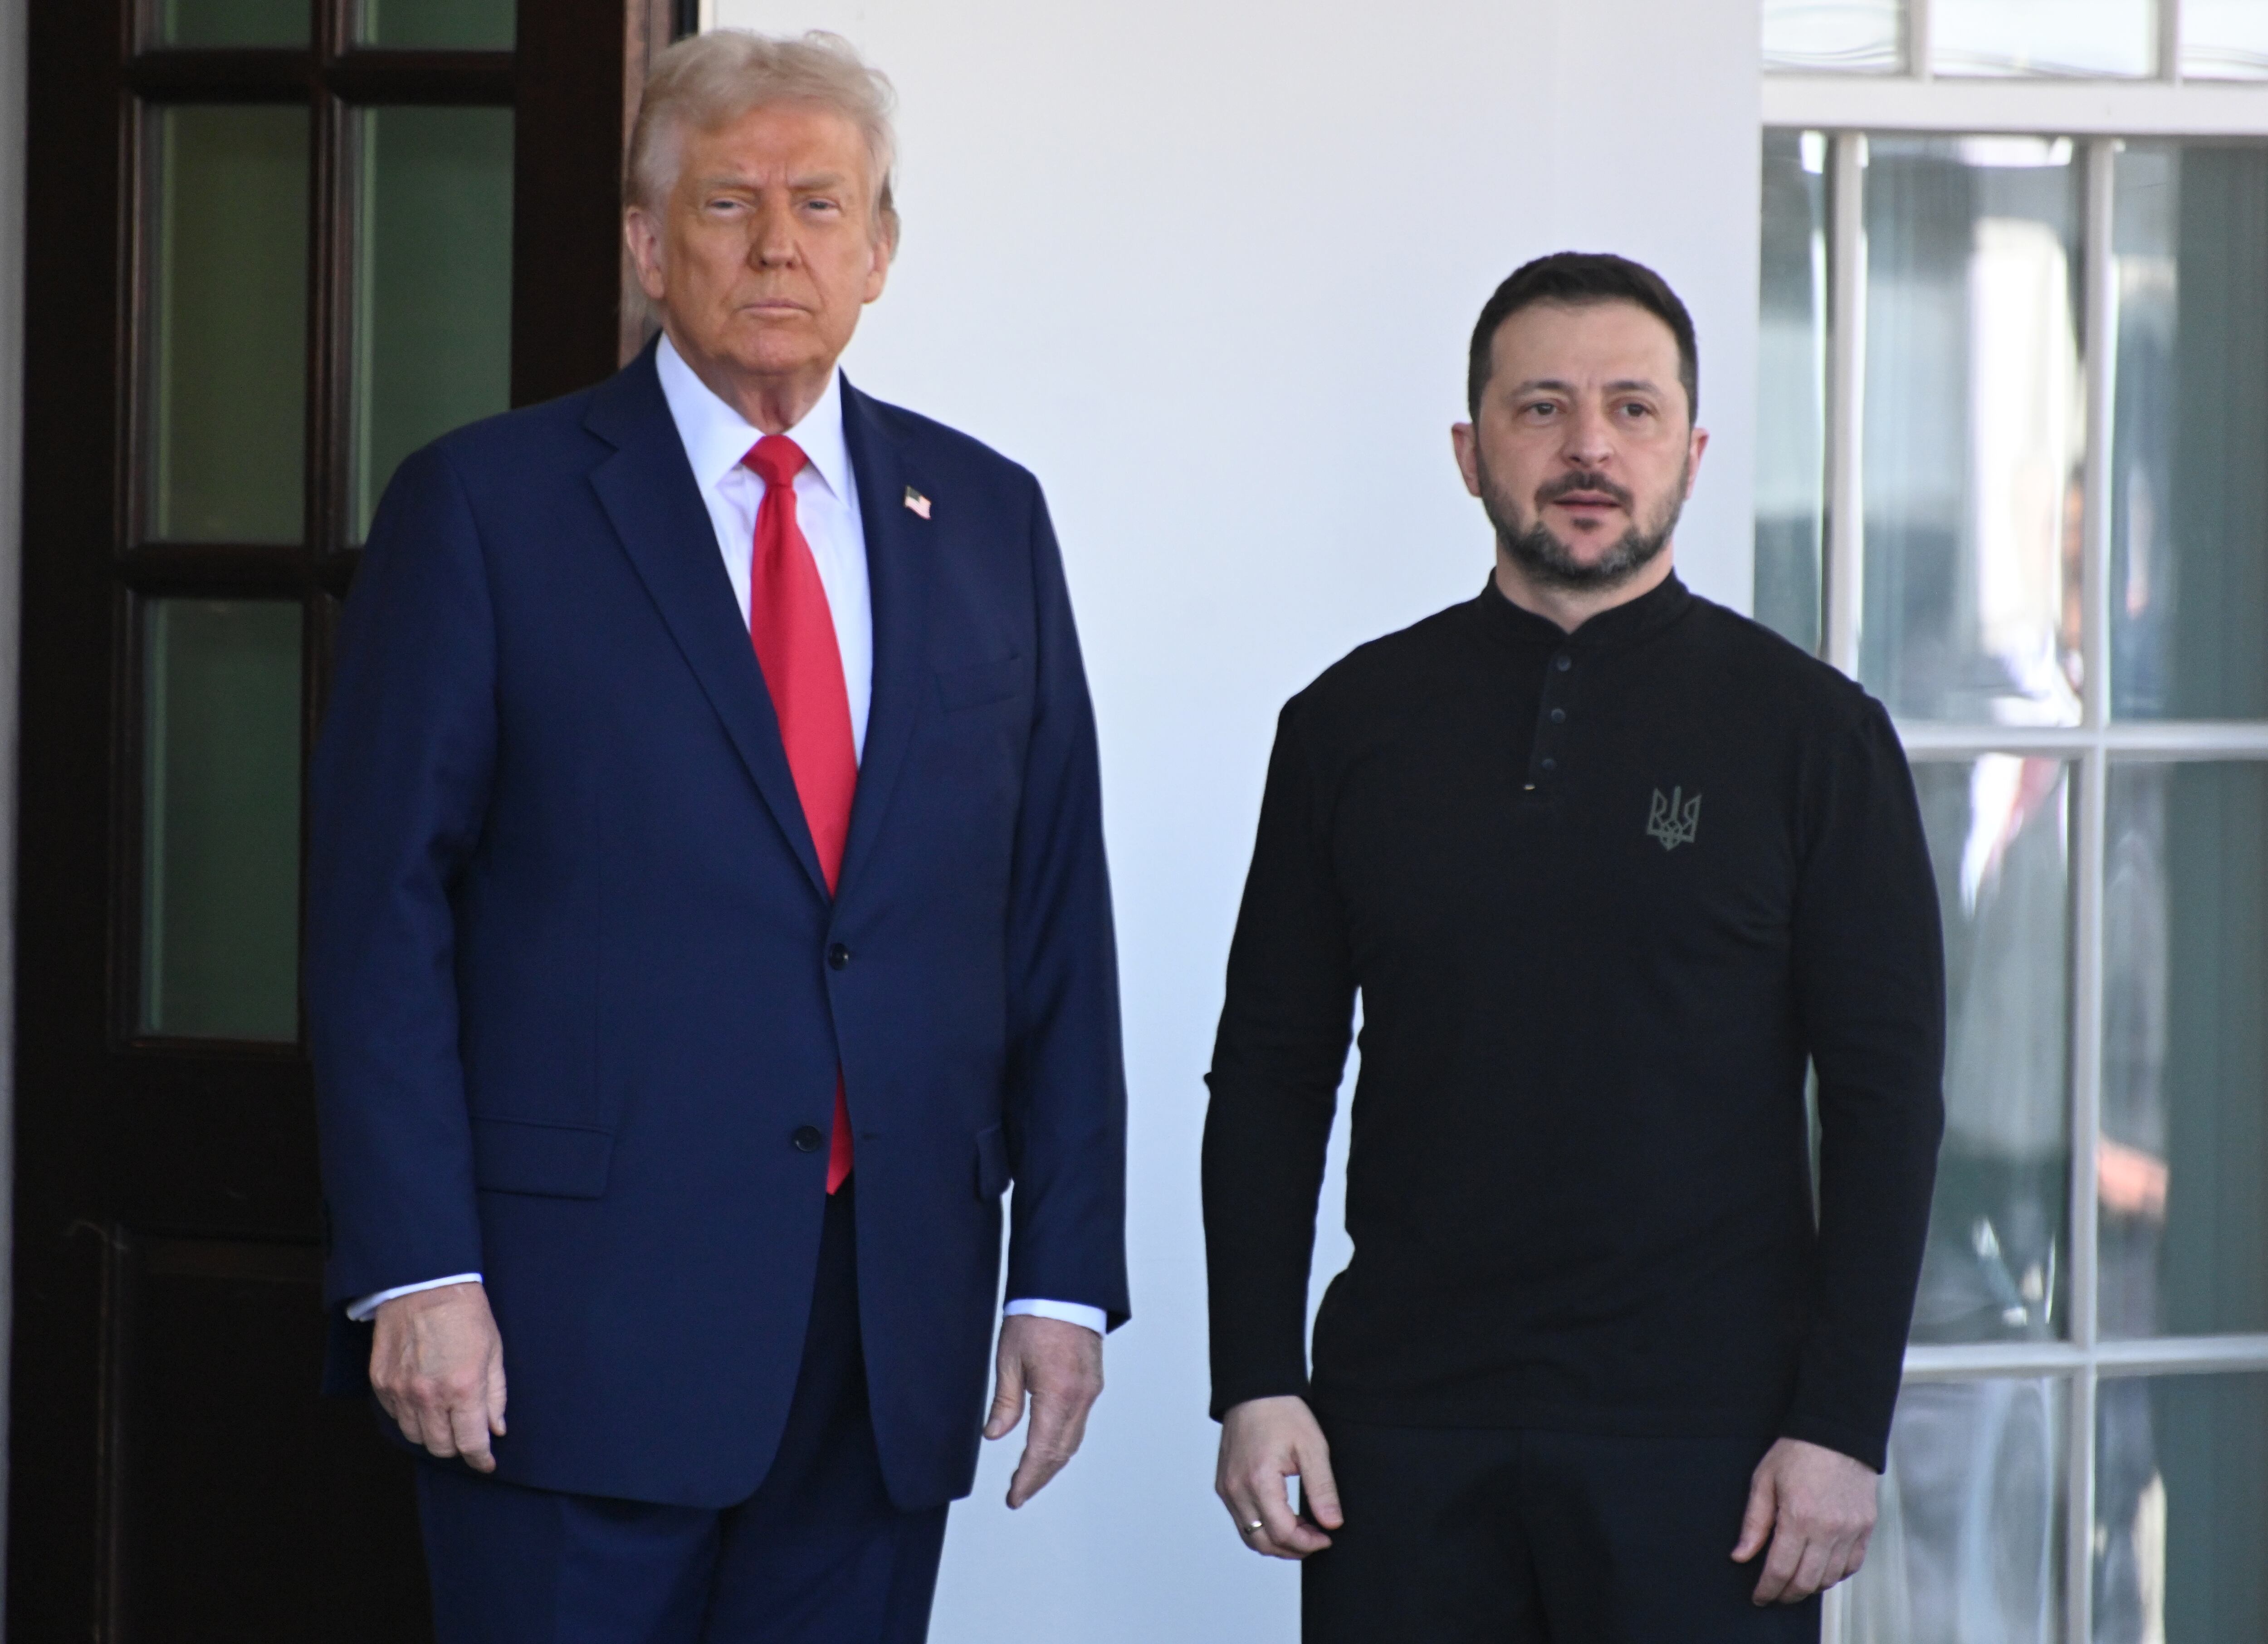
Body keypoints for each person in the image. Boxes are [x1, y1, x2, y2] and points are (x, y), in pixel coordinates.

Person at [308, 31, 1127, 1644]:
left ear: (880, 250)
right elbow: (374, 913)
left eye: (822, 206)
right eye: (729, 201)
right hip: (561, 1337)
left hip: (887, 1323)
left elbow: (1051, 915)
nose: (776, 246)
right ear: (644, 239)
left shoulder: (988, 520)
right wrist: (415, 1266)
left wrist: (1059, 1274)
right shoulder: (486, 507)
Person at [1202, 251, 1945, 1641]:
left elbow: (1888, 1105)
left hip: (1714, 1455)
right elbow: (1269, 1073)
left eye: (1633, 409)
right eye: (1541, 408)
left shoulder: (1814, 738)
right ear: (1469, 449)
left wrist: (1842, 1426)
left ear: (1695, 450)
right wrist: (1254, 1378)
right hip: (1400, 1441)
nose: (1589, 446)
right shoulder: (1347, 727)